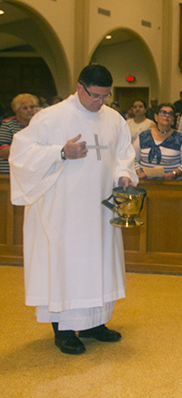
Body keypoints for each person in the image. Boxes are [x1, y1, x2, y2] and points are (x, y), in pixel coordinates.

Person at [9, 64, 137, 355]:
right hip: (63, 213)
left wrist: (124, 174)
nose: (100, 102)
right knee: (67, 267)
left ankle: (95, 323)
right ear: (79, 88)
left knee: (99, 264)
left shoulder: (114, 119)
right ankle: (64, 330)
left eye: (105, 96)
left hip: (102, 211)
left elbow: (123, 154)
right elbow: (20, 154)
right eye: (95, 96)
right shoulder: (50, 118)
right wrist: (61, 153)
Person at [134, 103, 182, 180]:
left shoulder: (180, 138)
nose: (167, 116)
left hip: (171, 183)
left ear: (173, 119)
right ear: (156, 117)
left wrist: (174, 174)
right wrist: (139, 172)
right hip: (145, 181)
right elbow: (133, 159)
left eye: (170, 114)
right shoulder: (143, 136)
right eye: (163, 112)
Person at [0, 93, 40, 173]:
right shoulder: (8, 125)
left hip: (32, 170)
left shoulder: (39, 124)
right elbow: (3, 151)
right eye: (25, 108)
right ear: (17, 111)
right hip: (9, 171)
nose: (29, 110)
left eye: (32, 107)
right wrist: (30, 149)